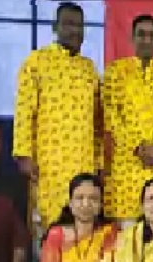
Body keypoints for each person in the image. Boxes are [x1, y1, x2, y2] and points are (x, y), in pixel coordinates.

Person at [13, 1, 102, 231]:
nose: (75, 31)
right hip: (48, 162)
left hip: (83, 160)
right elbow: (24, 110)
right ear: (55, 27)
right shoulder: (36, 62)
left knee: (82, 221)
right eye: (68, 24)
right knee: (49, 224)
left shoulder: (89, 69)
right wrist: (24, 155)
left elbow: (97, 120)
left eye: (79, 25)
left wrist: (99, 160)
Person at [102, 14, 153, 225]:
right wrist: (137, 147)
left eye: (152, 36)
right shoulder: (115, 73)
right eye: (141, 34)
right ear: (132, 38)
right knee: (127, 233)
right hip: (127, 167)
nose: (146, 40)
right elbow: (110, 114)